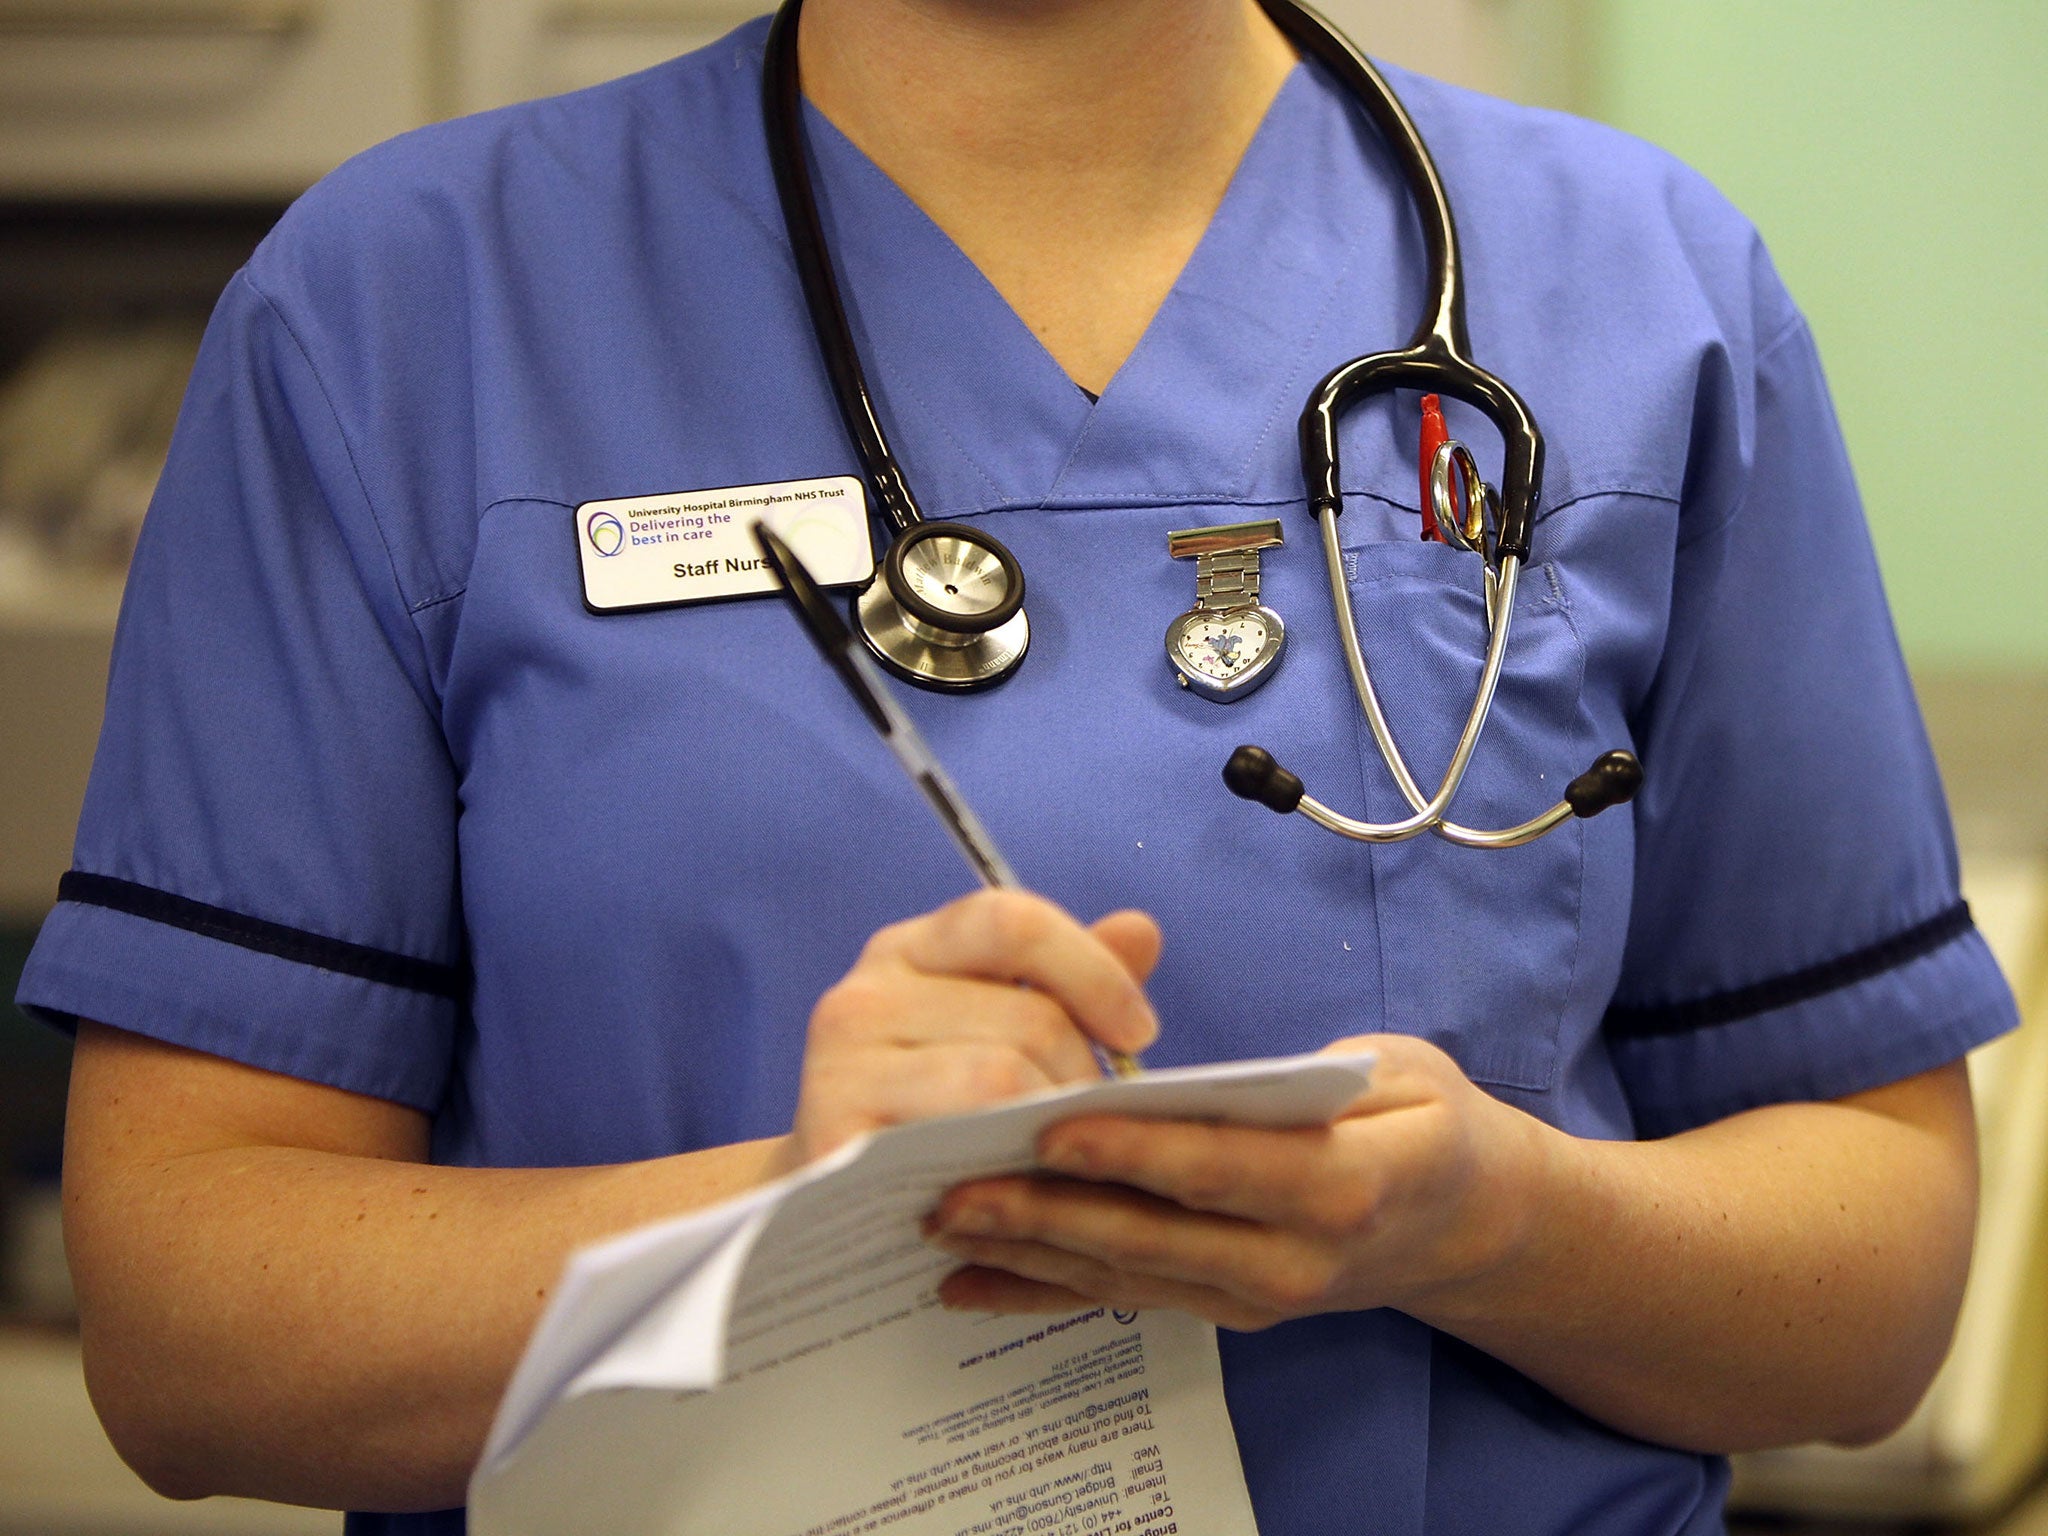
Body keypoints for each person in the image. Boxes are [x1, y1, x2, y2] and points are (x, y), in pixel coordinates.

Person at [18, 1, 2016, 1532]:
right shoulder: (401, 309)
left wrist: (1493, 1223)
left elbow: (1872, 1294)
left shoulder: (1640, 292)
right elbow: (197, 1335)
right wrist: (793, 1220)